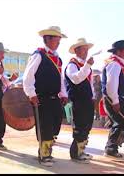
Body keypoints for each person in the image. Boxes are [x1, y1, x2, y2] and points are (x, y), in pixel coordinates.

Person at [23, 26, 68, 166]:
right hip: (41, 97)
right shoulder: (38, 55)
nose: (59, 41)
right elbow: (28, 76)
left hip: (55, 97)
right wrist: (31, 94)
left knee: (55, 124)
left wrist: (63, 93)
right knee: (45, 126)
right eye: (57, 38)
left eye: (60, 39)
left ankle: (47, 151)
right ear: (47, 39)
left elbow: (60, 78)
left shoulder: (58, 59)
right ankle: (44, 155)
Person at [64, 38, 95, 163]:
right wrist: (87, 65)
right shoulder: (72, 65)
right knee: (80, 125)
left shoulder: (84, 66)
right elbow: (76, 79)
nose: (86, 51)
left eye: (87, 49)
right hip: (78, 100)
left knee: (86, 125)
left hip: (87, 100)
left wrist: (92, 97)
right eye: (84, 48)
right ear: (76, 50)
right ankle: (75, 153)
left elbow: (90, 83)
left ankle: (81, 150)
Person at [101, 40, 124, 158]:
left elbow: (119, 83)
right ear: (119, 51)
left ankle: (112, 146)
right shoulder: (114, 64)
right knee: (119, 122)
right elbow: (111, 84)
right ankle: (110, 148)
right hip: (112, 98)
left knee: (120, 122)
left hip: (115, 97)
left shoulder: (117, 64)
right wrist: (115, 101)